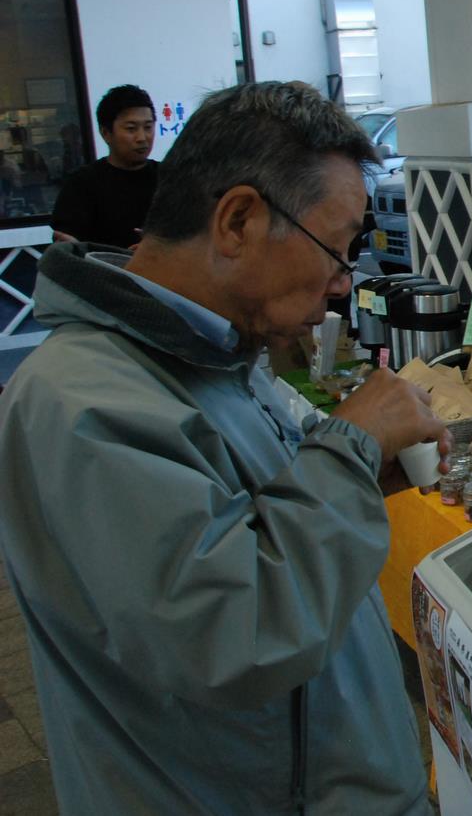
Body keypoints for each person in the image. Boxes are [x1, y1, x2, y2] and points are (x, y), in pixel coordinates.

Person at [0, 81, 448, 814]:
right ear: (238, 220)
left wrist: (362, 469)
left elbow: (258, 531)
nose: (342, 284)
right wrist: (350, 444)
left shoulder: (212, 356)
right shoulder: (80, 401)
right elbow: (240, 630)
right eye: (334, 249)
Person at [50, 84, 159, 248]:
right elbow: (70, 244)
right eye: (131, 129)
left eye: (148, 127)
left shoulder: (172, 178)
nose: (142, 137)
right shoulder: (82, 184)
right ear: (106, 133)